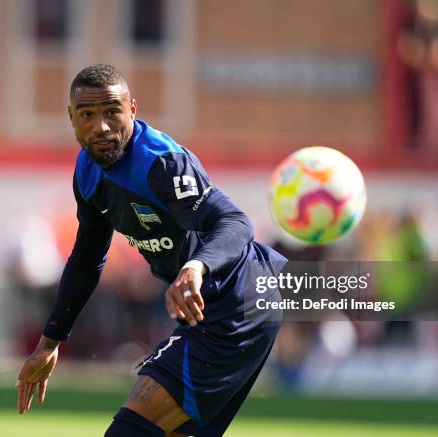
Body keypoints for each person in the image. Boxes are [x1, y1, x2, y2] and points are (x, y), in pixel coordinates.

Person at [15, 64, 285, 436]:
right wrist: (49, 343)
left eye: (113, 112)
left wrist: (194, 268)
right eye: (88, 115)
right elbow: (87, 258)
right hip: (207, 311)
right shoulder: (88, 172)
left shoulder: (161, 163)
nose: (102, 126)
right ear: (71, 119)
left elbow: (235, 222)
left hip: (237, 301)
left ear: (133, 110)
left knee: (134, 429)